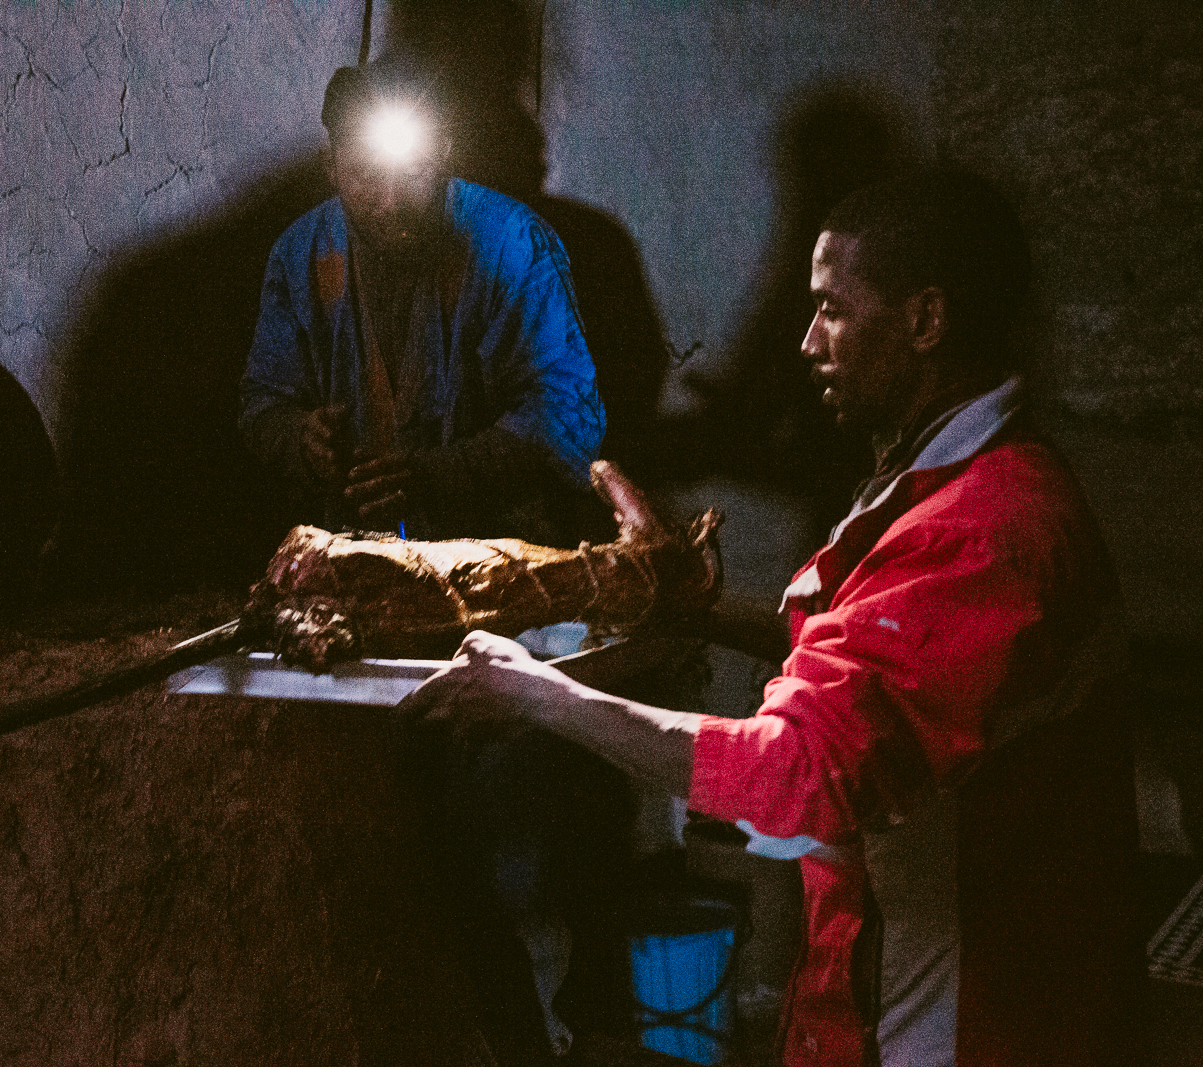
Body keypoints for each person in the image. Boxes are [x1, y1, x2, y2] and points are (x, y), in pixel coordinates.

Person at [403, 169, 1142, 1066]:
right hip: (895, 987)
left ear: (925, 321)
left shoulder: (984, 531)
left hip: (964, 1028)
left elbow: (800, 767)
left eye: (831, 310)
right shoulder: (953, 476)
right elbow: (870, 666)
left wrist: (538, 696)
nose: (806, 342)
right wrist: (696, 608)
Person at [239, 58, 605, 542]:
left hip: (497, 549)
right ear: (332, 167)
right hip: (353, 554)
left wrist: (440, 476)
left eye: (413, 171)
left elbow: (570, 414)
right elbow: (261, 404)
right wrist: (300, 438)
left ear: (445, 152)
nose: (390, 201)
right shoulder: (299, 254)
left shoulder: (513, 244)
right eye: (365, 174)